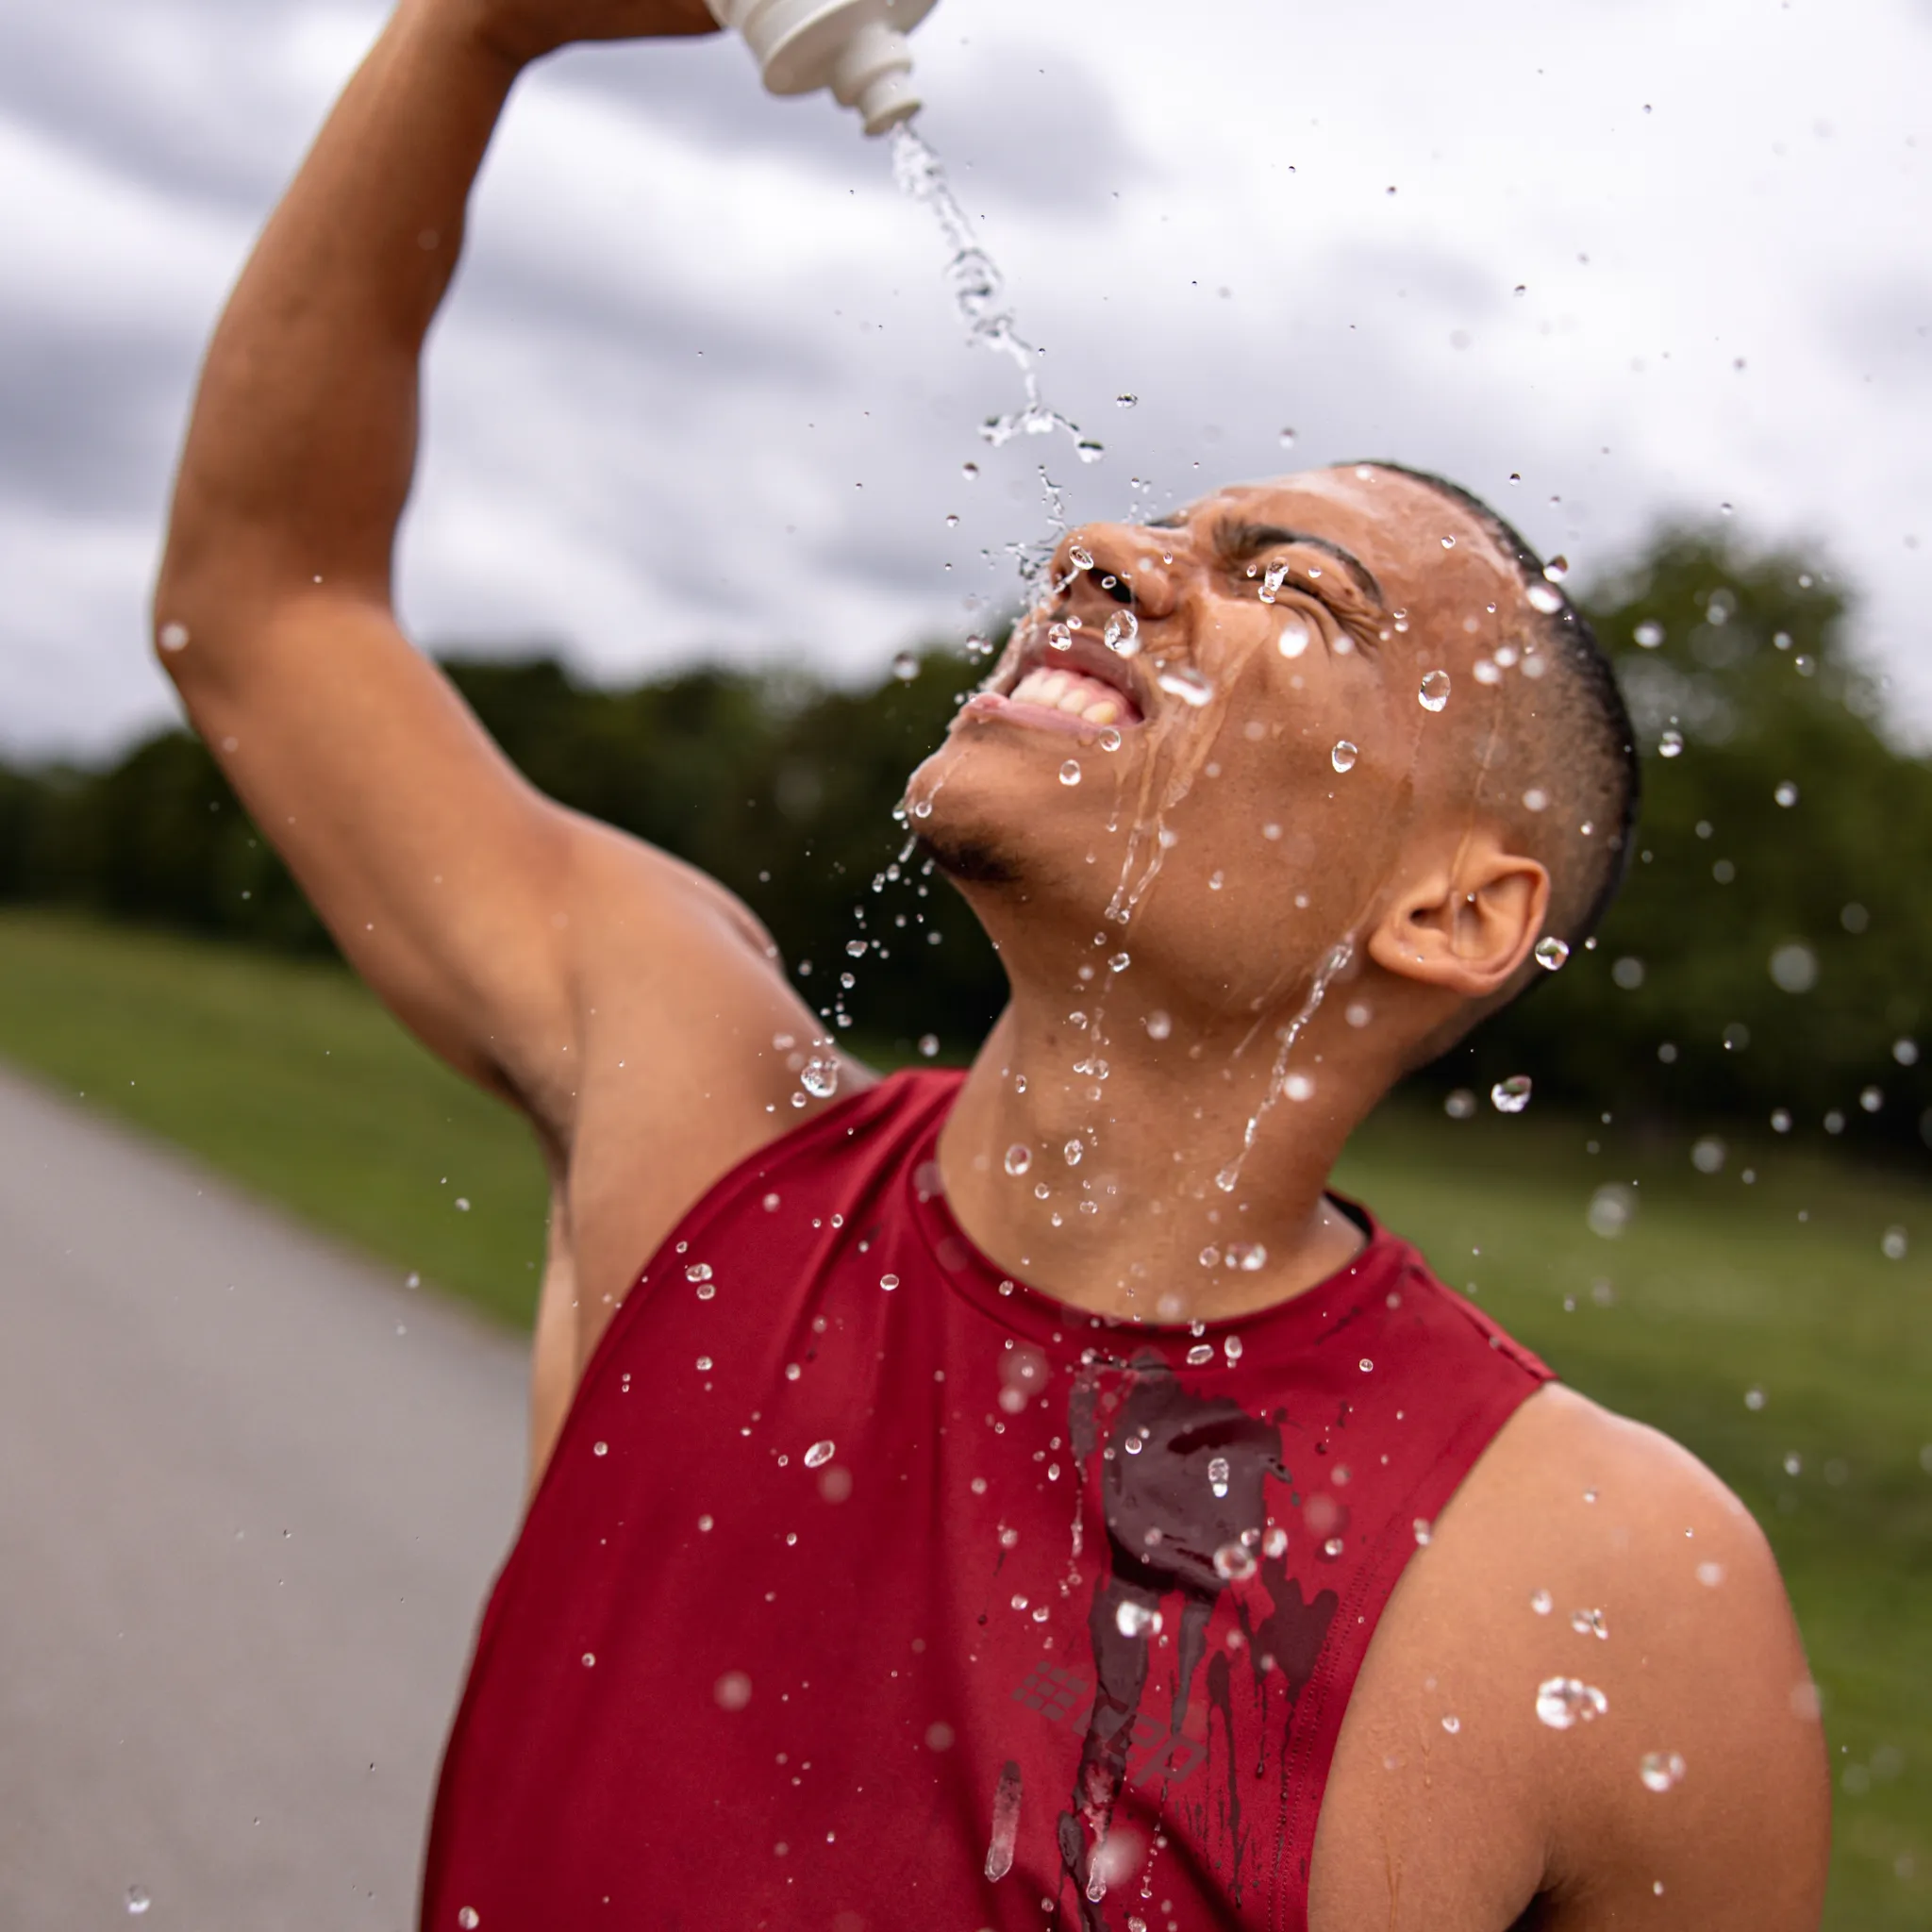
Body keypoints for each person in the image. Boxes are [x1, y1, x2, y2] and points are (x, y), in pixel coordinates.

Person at [153, 1, 1831, 1925]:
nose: (1102, 548)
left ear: (1452, 914)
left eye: (1294, 589)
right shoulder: (698, 1134)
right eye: (1165, 525)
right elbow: (264, 608)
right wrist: (474, 35)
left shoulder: (1601, 1586)